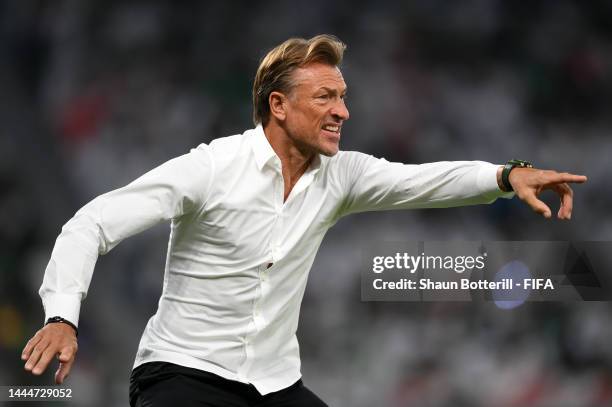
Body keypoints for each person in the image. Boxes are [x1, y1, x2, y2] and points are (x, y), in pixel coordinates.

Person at [21, 34, 587, 406]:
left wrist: (505, 175)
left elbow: (426, 181)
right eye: (325, 97)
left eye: (342, 96)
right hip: (182, 377)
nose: (342, 110)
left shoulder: (341, 175)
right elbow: (91, 222)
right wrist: (62, 316)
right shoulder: (213, 167)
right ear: (278, 105)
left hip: (274, 385)